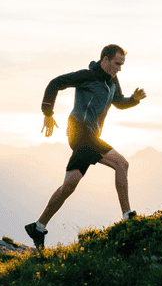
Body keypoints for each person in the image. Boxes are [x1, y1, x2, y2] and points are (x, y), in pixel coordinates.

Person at [25, 44, 147, 250]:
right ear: (105, 59)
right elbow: (56, 83)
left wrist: (134, 100)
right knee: (121, 164)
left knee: (70, 184)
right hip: (81, 132)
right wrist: (48, 112)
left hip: (91, 135)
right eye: (117, 63)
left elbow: (118, 102)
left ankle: (38, 226)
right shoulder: (87, 76)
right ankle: (128, 218)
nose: (119, 68)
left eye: (122, 65)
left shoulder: (112, 81)